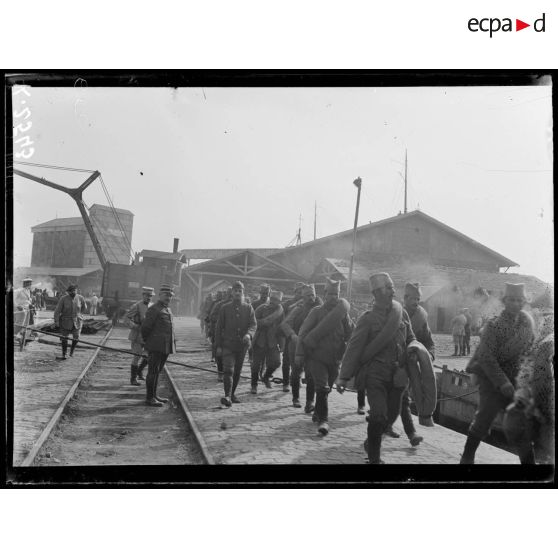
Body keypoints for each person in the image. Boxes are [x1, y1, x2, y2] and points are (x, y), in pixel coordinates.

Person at [336, 273, 416, 464]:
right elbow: (353, 348)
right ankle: (374, 458)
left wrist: (414, 349)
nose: (393, 290)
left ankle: (370, 442)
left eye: (392, 286)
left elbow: (411, 337)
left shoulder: (401, 313)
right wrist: (343, 377)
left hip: (397, 376)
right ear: (377, 292)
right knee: (379, 414)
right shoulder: (368, 319)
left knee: (391, 416)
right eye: (388, 287)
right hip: (375, 375)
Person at [460, 283, 535, 464]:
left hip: (516, 381)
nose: (515, 304)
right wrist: (502, 382)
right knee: (483, 420)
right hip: (492, 379)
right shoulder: (494, 326)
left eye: (519, 300)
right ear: (504, 301)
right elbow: (486, 358)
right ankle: (466, 458)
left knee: (521, 424)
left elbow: (530, 353)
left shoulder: (527, 325)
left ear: (524, 302)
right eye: (511, 300)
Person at [295, 278, 353, 435]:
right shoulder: (316, 312)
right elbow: (303, 333)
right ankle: (324, 421)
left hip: (334, 359)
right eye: (331, 294)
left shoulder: (343, 314)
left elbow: (351, 334)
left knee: (326, 390)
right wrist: (300, 353)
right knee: (322, 387)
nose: (334, 297)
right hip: (316, 358)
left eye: (337, 294)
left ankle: (318, 412)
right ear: (325, 294)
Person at [280, 284, 322, 410]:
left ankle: (310, 402)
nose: (311, 298)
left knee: (310, 374)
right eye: (308, 295)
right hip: (297, 345)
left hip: (312, 347)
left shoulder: (320, 309)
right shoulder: (298, 309)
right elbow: (285, 324)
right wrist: (292, 335)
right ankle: (296, 398)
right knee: (296, 372)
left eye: (312, 295)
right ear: (303, 297)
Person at [215, 280, 256, 406]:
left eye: (240, 291)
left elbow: (253, 325)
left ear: (243, 293)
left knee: (237, 371)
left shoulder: (248, 308)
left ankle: (232, 394)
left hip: (241, 347)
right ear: (232, 293)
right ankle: (227, 395)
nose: (238, 293)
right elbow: (218, 328)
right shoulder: (225, 308)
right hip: (228, 345)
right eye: (235, 291)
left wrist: (249, 334)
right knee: (228, 370)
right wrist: (218, 346)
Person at [141, 284, 176, 407]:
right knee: (152, 371)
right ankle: (149, 398)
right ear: (160, 295)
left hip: (165, 347)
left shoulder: (167, 309)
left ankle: (154, 395)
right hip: (156, 346)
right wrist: (149, 343)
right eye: (166, 295)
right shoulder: (154, 309)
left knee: (157, 371)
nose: (168, 297)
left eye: (170, 296)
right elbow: (145, 328)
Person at [251, 290, 285, 391]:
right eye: (272, 299)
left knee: (277, 362)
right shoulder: (261, 308)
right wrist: (264, 323)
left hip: (272, 341)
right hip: (259, 340)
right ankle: (254, 385)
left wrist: (282, 344)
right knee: (256, 365)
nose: (273, 301)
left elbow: (281, 328)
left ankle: (266, 377)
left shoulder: (280, 312)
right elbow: (253, 322)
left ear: (279, 302)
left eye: (276, 300)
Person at [125, 286, 155, 386]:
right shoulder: (137, 306)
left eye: (150, 296)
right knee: (137, 357)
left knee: (148, 357)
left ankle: (139, 371)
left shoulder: (153, 306)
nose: (149, 297)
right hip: (138, 336)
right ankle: (133, 379)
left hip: (149, 337)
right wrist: (135, 326)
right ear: (143, 295)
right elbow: (126, 318)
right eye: (147, 295)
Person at [280, 282, 306, 392]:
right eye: (298, 292)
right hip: (288, 334)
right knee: (286, 359)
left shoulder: (306, 303)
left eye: (302, 292)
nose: (300, 295)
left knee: (300, 359)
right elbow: (282, 316)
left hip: (301, 334)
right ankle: (285, 382)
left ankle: (296, 378)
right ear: (294, 292)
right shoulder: (288, 303)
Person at [53, 284, 87, 360]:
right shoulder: (63, 299)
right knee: (64, 338)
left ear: (76, 291)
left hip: (77, 321)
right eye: (70, 291)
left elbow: (84, 307)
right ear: (68, 292)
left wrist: (79, 314)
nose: (72, 293)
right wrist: (56, 321)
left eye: (73, 291)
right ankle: (64, 354)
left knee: (76, 337)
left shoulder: (80, 298)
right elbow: (57, 311)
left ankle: (71, 352)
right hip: (65, 321)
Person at [210, 289, 232, 381]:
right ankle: (220, 373)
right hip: (221, 332)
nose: (231, 297)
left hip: (233, 335)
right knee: (219, 354)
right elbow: (212, 316)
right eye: (230, 295)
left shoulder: (241, 306)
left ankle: (229, 372)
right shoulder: (220, 305)